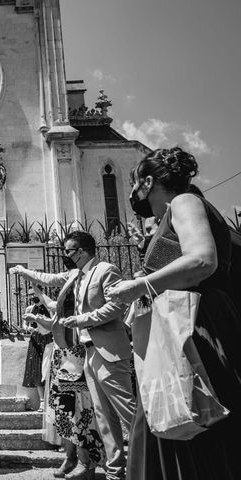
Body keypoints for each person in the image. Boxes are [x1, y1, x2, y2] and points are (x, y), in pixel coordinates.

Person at [106, 147, 241, 480]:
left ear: (149, 181)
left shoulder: (183, 201)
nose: (133, 192)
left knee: (189, 422)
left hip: (196, 327)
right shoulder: (169, 217)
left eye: (136, 182)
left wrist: (140, 286)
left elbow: (201, 260)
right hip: (185, 326)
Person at [11, 232, 135, 480]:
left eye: (68, 251)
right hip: (86, 351)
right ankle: (115, 471)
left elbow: (116, 306)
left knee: (128, 412)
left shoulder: (105, 270)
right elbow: (50, 278)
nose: (65, 255)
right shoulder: (74, 275)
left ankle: (155, 460)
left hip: (108, 349)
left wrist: (81, 320)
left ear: (81, 251)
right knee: (103, 415)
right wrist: (24, 272)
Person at [25, 283, 106, 480]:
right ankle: (71, 458)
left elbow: (52, 310)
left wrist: (39, 296)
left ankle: (88, 464)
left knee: (81, 413)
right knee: (65, 412)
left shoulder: (84, 306)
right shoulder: (62, 307)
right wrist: (37, 293)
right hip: (64, 360)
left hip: (77, 359)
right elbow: (52, 315)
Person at [21, 293, 52, 413]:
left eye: (33, 294)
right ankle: (42, 401)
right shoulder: (30, 309)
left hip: (47, 339)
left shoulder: (48, 307)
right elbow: (25, 323)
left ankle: (49, 401)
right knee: (36, 369)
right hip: (35, 339)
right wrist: (28, 328)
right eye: (29, 295)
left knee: (47, 369)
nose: (31, 297)